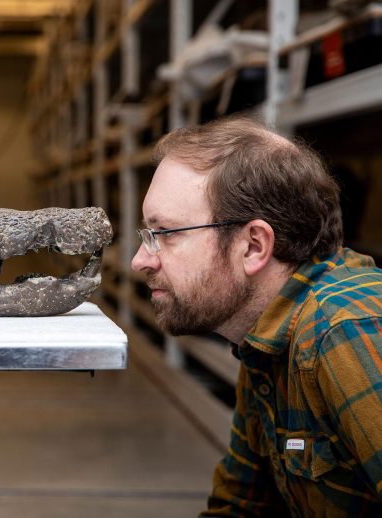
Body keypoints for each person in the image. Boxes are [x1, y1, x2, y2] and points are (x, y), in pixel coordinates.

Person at [131, 117, 382, 516]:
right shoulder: (262, 337)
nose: (140, 260)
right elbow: (241, 505)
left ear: (253, 246)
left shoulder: (342, 331)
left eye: (166, 234)